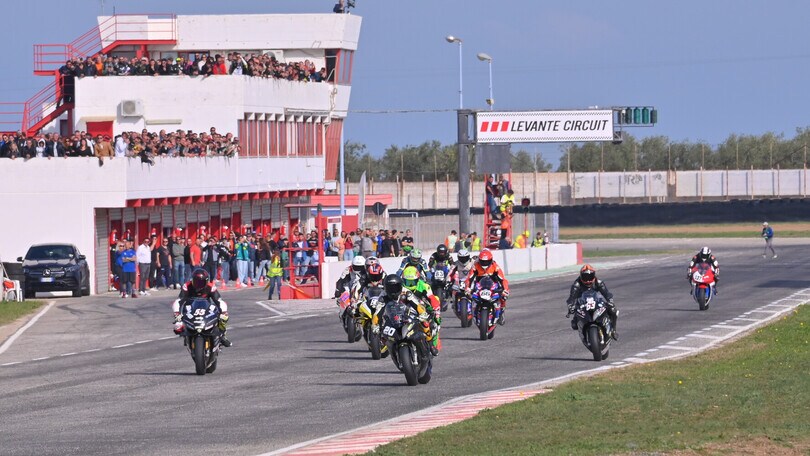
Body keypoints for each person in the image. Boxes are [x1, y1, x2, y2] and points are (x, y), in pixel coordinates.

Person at [172, 268, 231, 347]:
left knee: (223, 318)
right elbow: (179, 301)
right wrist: (177, 313)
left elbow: (219, 301)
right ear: (192, 280)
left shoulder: (211, 287)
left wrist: (223, 312)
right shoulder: (187, 286)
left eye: (201, 282)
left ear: (206, 282)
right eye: (196, 282)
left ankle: (222, 335)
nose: (198, 285)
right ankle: (186, 333)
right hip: (190, 309)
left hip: (206, 308)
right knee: (177, 325)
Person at [566, 264, 618, 340]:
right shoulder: (576, 285)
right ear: (581, 276)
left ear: (594, 276)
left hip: (596, 301)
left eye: (590, 277)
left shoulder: (598, 282)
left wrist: (610, 301)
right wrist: (571, 306)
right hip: (582, 303)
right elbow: (571, 298)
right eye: (585, 277)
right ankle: (584, 333)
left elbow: (607, 294)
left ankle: (613, 330)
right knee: (574, 324)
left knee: (613, 310)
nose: (588, 280)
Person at [401, 266, 441, 355]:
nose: (410, 285)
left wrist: (435, 309)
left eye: (412, 282)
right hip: (406, 309)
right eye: (408, 282)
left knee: (434, 321)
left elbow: (432, 298)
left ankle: (431, 345)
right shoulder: (401, 287)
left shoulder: (424, 286)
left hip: (423, 307)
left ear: (417, 279)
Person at [465, 249, 510, 325]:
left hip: (493, 285)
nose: (484, 263)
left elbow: (503, 279)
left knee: (503, 296)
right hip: (479, 285)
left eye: (486, 261)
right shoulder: (475, 266)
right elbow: (469, 278)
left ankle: (501, 311)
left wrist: (505, 289)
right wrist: (467, 288)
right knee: (469, 296)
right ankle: (471, 312)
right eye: (483, 261)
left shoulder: (495, 266)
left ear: (491, 260)